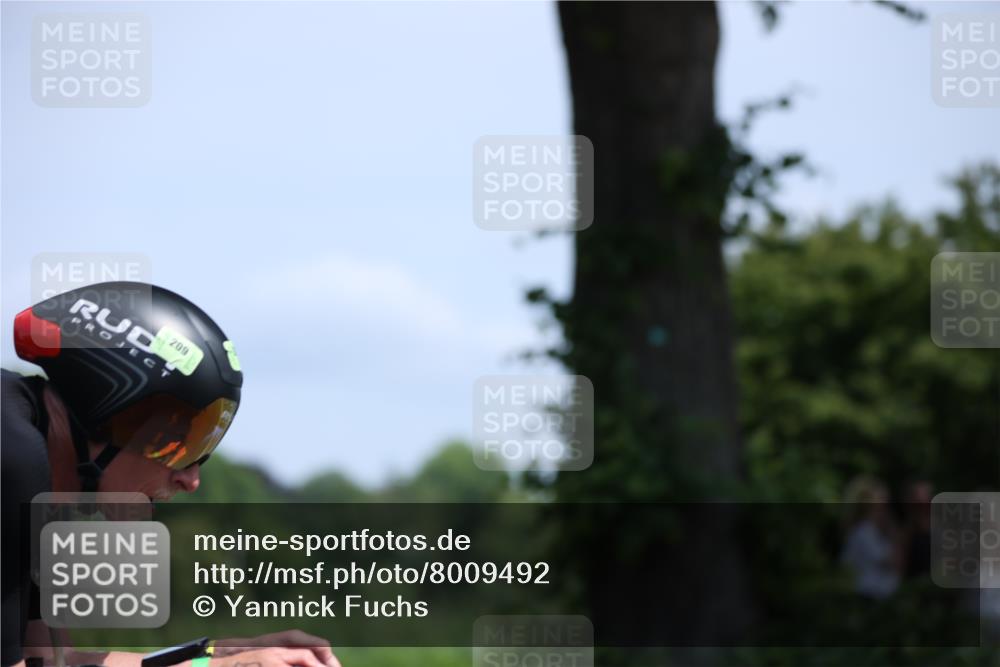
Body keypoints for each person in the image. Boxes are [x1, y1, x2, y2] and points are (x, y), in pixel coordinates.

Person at [2, 282, 340, 667]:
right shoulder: (12, 461)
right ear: (106, 414)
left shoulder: (36, 484)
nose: (190, 480)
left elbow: (49, 661)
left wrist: (211, 656)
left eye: (202, 450)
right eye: (177, 446)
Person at [839, 475, 902, 601]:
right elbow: (889, 561)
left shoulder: (869, 530)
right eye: (882, 500)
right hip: (870, 595)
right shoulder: (864, 531)